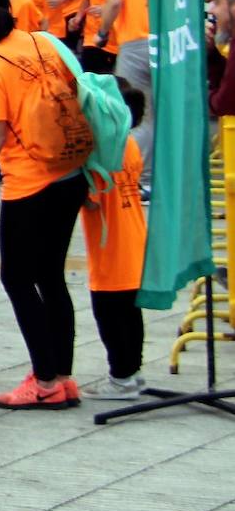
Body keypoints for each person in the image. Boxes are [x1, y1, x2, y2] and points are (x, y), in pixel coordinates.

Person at [0, 0, 92, 409]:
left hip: (30, 180)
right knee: (51, 276)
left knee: (17, 277)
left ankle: (46, 379)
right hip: (70, 172)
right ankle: (63, 376)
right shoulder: (44, 41)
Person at [80, 81, 149, 401]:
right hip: (134, 237)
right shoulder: (129, 143)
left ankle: (120, 376)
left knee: (109, 315)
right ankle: (132, 373)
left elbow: (92, 200)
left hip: (111, 248)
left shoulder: (101, 151)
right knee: (130, 314)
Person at [95, 0, 150, 189]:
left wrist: (103, 32)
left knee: (133, 113)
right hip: (168, 42)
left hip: (135, 44)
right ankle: (154, 176)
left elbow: (114, 2)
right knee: (159, 113)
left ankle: (139, 176)